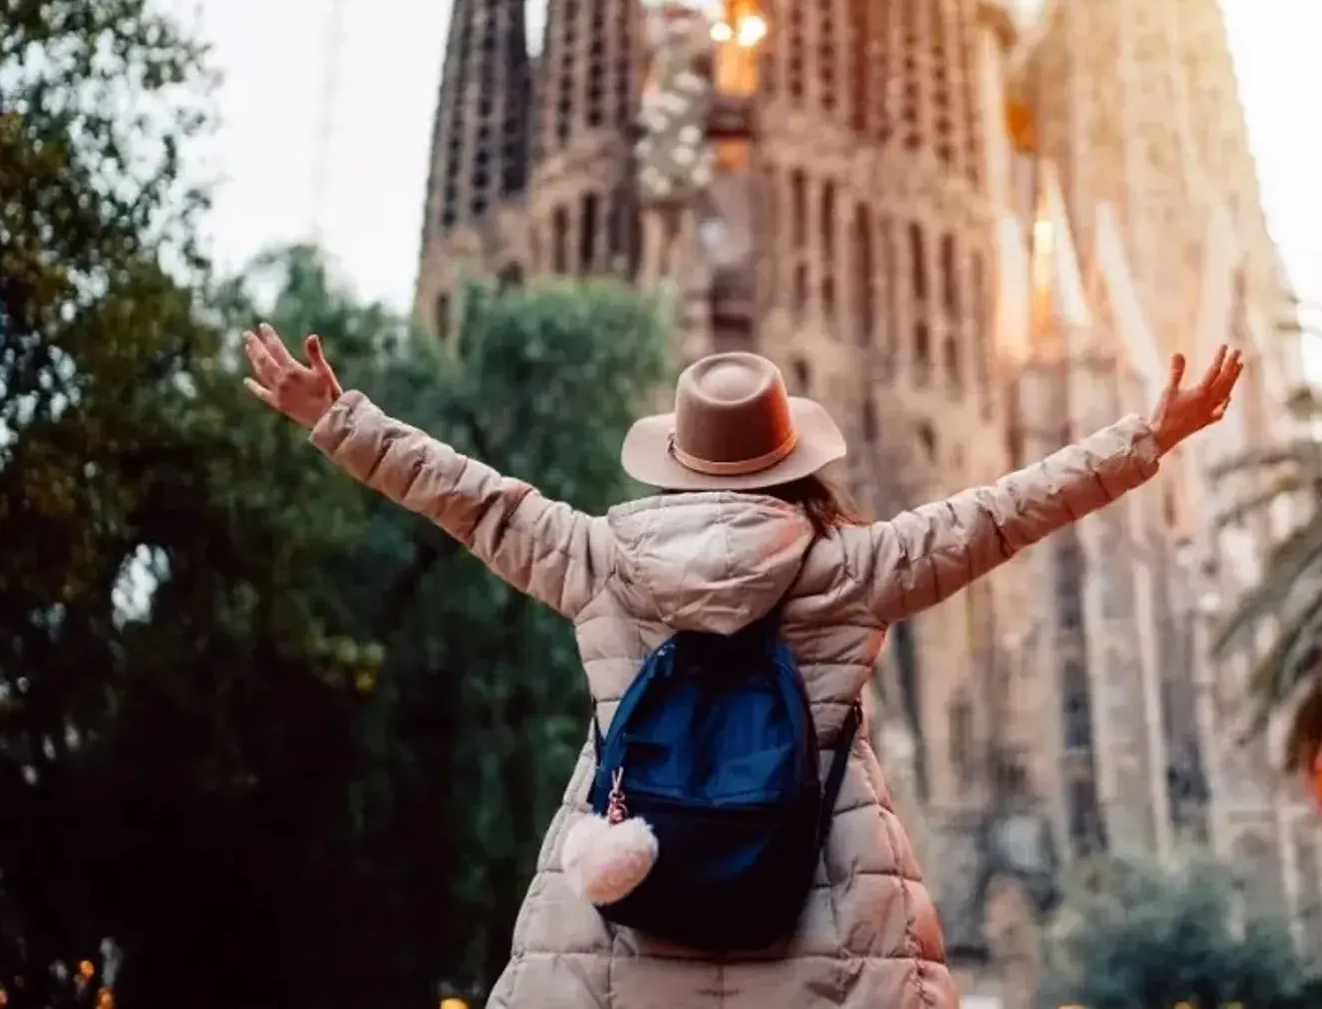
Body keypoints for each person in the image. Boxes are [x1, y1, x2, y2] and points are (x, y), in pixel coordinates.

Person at [241, 326, 1242, 1009]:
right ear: (794, 463)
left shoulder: (599, 560)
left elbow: (474, 499)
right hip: (823, 918)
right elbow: (1007, 508)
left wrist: (337, 416)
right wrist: (1149, 434)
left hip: (620, 928)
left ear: (673, 460)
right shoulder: (854, 568)